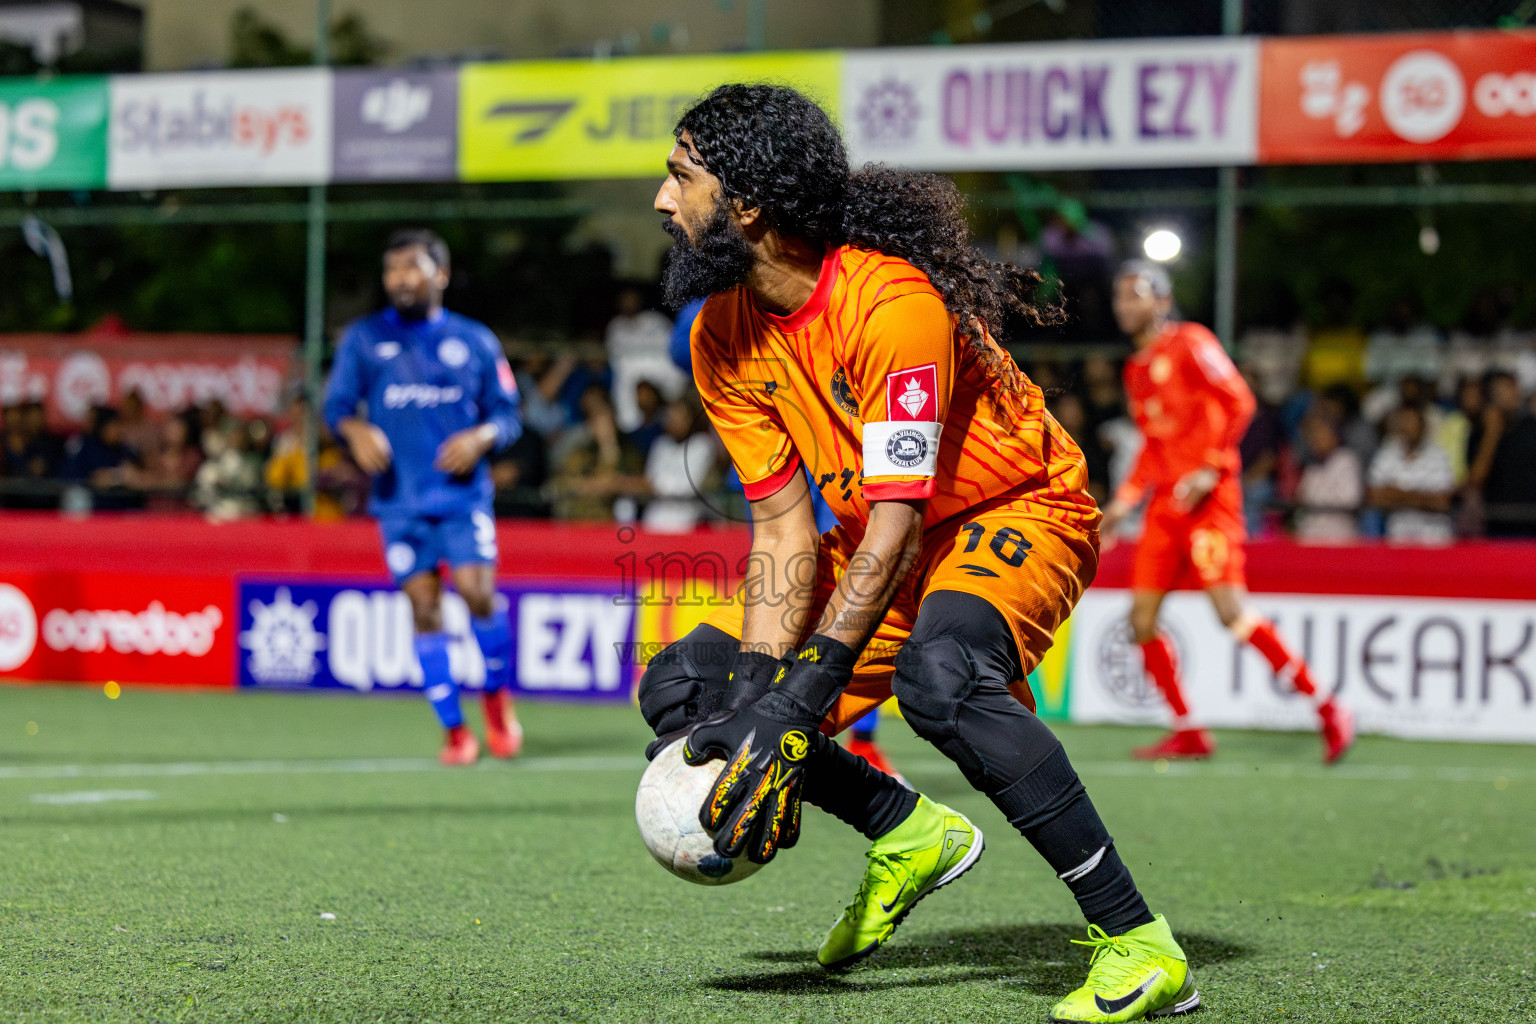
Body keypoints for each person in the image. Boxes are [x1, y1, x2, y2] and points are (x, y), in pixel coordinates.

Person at [638, 85, 1198, 1024]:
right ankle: (904, 829)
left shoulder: (891, 302)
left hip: (1016, 509)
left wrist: (799, 704)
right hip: (877, 539)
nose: (663, 199)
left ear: (749, 204)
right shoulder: (718, 332)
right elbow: (781, 530)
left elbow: (898, 525)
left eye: (680, 176)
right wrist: (757, 697)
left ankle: (1140, 942)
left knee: (940, 678)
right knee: (690, 690)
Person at [1100, 263, 1354, 766]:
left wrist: (1211, 467)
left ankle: (1328, 708)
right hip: (1166, 507)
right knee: (1141, 619)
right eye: (1118, 296)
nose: (1124, 305)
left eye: (1135, 295)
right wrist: (1124, 500)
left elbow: (1240, 400)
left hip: (1209, 501)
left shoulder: (1191, 342)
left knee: (1231, 613)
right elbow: (1152, 446)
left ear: (1163, 301)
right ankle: (1189, 730)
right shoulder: (1135, 370)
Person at [323, 229, 524, 766]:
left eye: (412, 267)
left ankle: (496, 700)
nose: (400, 279)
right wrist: (355, 430)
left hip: (462, 498)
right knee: (424, 607)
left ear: (441, 274)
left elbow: (509, 415)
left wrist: (480, 438)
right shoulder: (364, 339)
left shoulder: (475, 340)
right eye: (392, 270)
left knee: (478, 596)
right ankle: (455, 730)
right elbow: (335, 406)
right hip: (400, 501)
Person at [1367, 404, 1457, 543]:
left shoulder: (1438, 456)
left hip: (1434, 539)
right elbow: (1374, 497)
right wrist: (1424, 497)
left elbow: (1442, 501)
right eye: (1405, 422)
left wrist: (1398, 494)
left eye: (1413, 422)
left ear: (1423, 426)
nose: (1408, 427)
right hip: (1398, 538)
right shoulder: (1387, 454)